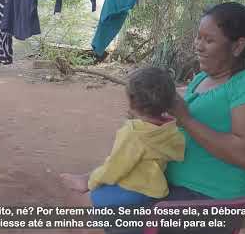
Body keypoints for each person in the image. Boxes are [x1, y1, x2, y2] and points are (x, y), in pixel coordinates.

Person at [160, 2, 245, 234]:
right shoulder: (202, 78)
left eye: (209, 40)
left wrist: (184, 118)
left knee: (98, 224)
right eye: (198, 38)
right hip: (171, 187)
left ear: (238, 45)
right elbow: (186, 125)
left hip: (210, 203)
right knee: (95, 196)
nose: (198, 46)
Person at [61, 67, 185, 219]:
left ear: (132, 102)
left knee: (76, 206)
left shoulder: (133, 134)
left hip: (130, 192)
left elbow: (114, 169)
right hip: (153, 191)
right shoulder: (170, 128)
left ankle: (85, 182)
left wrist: (91, 183)